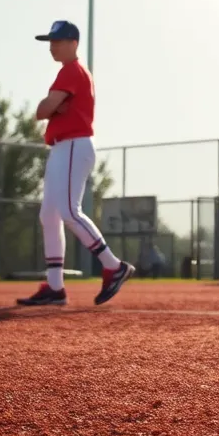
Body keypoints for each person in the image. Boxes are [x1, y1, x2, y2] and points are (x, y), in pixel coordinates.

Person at [19, 21, 134, 307]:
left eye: (57, 41)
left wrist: (54, 105)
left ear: (74, 43)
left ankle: (113, 265)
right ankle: (55, 287)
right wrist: (55, 106)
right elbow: (42, 111)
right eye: (50, 41)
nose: (51, 46)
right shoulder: (67, 72)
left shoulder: (72, 71)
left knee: (69, 210)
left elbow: (43, 109)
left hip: (74, 144)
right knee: (49, 215)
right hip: (62, 147)